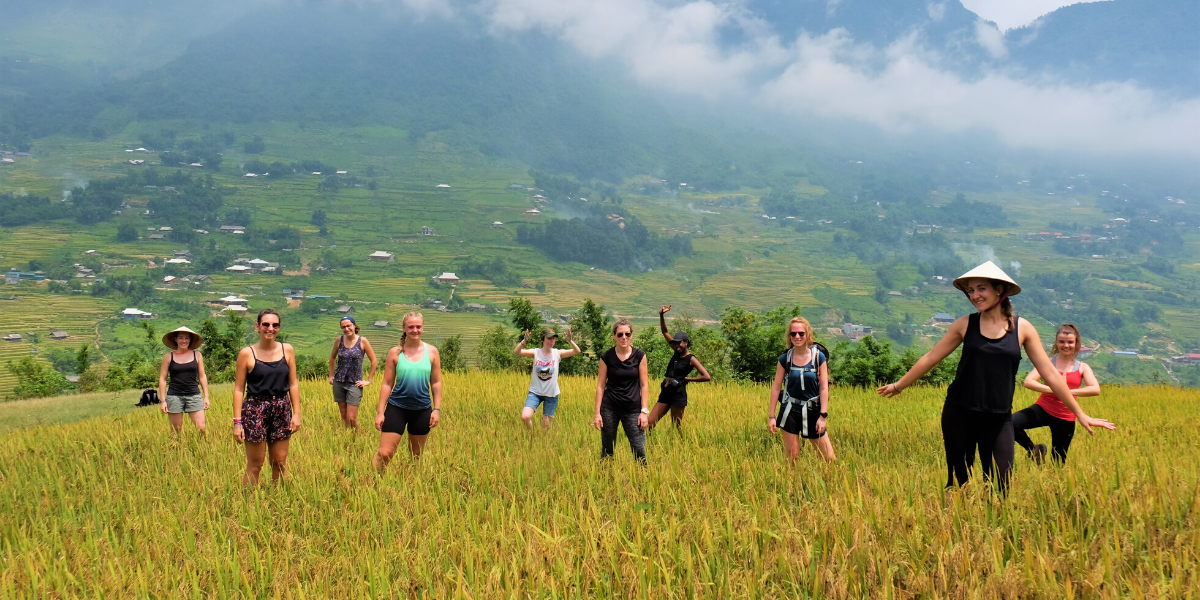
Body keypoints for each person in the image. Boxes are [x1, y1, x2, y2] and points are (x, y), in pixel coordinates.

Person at [878, 262, 1114, 493]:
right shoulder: (964, 325)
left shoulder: (1023, 328)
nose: (974, 295)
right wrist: (899, 385)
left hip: (998, 416)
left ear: (999, 289)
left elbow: (1050, 373)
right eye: (970, 290)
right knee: (961, 481)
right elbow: (931, 357)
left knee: (1002, 483)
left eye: (981, 288)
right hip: (960, 412)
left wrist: (1080, 414)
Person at [232, 309, 302, 485]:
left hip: (282, 406)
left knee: (279, 462)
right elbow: (239, 389)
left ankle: (278, 500)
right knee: (255, 463)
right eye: (266, 324)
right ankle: (248, 503)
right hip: (254, 408)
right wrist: (237, 422)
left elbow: (293, 383)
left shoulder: (288, 350)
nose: (270, 328)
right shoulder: (246, 353)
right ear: (257, 326)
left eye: (275, 325)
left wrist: (297, 414)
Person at [1015, 323, 1101, 465]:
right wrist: (1054, 390)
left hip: (1065, 417)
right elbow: (1029, 382)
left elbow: (1095, 389)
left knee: (1058, 462)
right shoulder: (1047, 363)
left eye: (1070, 342)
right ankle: (1034, 450)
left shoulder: (1082, 367)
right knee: (1011, 424)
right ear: (1056, 343)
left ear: (1076, 343)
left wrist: (1066, 393)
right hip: (1042, 409)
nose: (1065, 345)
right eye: (1062, 342)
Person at [374, 312, 443, 470]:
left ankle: (413, 486)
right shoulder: (396, 352)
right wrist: (380, 412)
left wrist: (437, 409)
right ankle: (375, 484)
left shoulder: (432, 352)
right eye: (411, 327)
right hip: (397, 408)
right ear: (404, 329)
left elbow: (436, 382)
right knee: (385, 453)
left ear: (422, 328)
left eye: (418, 326)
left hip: (422, 409)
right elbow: (387, 383)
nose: (415, 330)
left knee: (416, 455)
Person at [768, 316, 835, 462]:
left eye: (801, 333)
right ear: (789, 336)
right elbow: (776, 387)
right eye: (793, 334)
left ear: (807, 334)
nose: (797, 336)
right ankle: (792, 485)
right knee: (792, 457)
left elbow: (824, 388)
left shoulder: (819, 357)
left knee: (829, 458)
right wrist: (771, 416)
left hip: (813, 410)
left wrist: (823, 416)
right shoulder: (784, 359)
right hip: (790, 410)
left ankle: (829, 483)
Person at [593, 319, 650, 462]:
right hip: (609, 408)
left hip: (632, 409)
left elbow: (644, 385)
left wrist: (644, 411)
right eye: (620, 334)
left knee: (639, 448)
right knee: (607, 449)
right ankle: (606, 478)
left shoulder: (640, 356)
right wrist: (597, 413)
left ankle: (643, 479)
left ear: (631, 335)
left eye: (627, 334)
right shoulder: (606, 357)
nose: (624, 337)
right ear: (614, 336)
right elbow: (600, 385)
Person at [648, 305, 711, 430]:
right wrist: (661, 315)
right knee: (650, 423)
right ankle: (647, 446)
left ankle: (679, 447)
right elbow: (665, 332)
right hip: (666, 391)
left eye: (679, 343)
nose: (676, 345)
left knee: (676, 427)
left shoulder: (691, 359)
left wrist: (687, 379)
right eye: (675, 343)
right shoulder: (676, 352)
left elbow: (706, 376)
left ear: (686, 342)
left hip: (678, 393)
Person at [513, 327, 581, 429]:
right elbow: (517, 351)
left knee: (545, 427)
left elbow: (577, 351)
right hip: (535, 392)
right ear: (542, 340)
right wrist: (524, 341)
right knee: (525, 417)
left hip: (551, 395)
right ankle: (531, 435)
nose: (552, 341)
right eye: (549, 338)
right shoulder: (536, 352)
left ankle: (542, 442)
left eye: (554, 338)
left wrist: (570, 341)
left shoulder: (557, 353)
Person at [157, 326, 210, 437]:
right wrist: (163, 401)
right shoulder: (168, 357)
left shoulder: (197, 355)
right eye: (180, 338)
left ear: (190, 340)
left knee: (201, 428)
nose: (184, 341)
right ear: (175, 339)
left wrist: (206, 397)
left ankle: (201, 450)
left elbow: (202, 376)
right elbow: (162, 379)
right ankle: (177, 451)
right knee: (176, 431)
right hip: (174, 396)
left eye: (186, 338)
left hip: (194, 394)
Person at [327, 316, 378, 429]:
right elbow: (332, 358)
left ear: (354, 326)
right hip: (339, 381)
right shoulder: (339, 340)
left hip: (355, 383)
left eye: (348, 325)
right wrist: (331, 375)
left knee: (352, 417)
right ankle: (347, 438)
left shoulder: (362, 341)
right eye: (343, 327)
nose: (346, 329)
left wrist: (369, 380)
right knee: (344, 416)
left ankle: (357, 437)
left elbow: (374, 361)